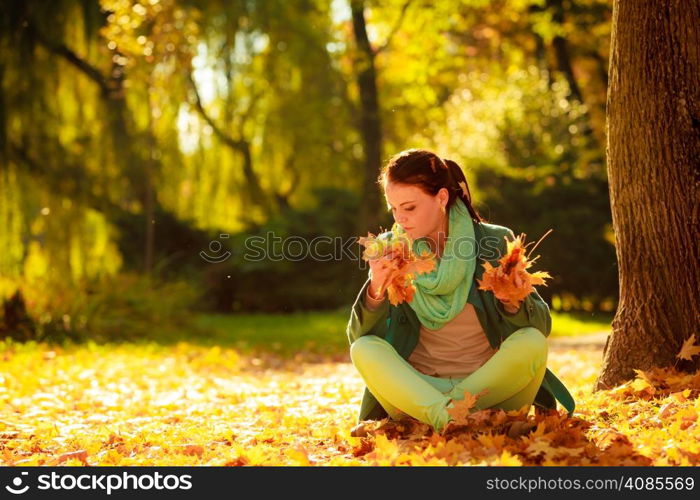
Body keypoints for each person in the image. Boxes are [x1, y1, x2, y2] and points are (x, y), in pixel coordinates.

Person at [346, 148, 575, 434]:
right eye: (394, 208)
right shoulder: (392, 248)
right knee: (363, 348)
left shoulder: (492, 241)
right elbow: (360, 337)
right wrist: (376, 288)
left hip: (489, 389)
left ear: (441, 197)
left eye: (410, 207)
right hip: (420, 389)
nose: (400, 218)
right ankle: (454, 420)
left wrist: (512, 303)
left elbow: (540, 326)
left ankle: (441, 419)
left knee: (532, 342)